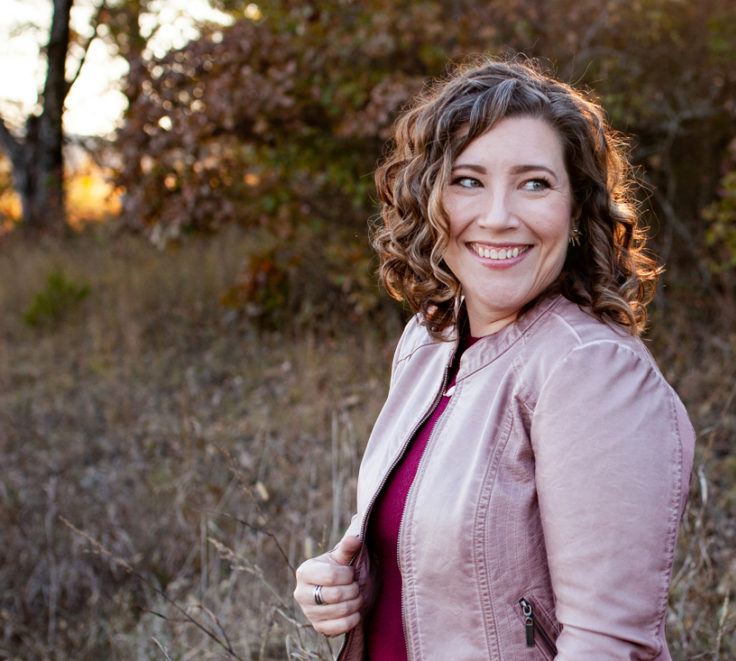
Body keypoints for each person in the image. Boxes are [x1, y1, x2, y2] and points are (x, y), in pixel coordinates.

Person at [293, 57, 695, 660]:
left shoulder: (593, 372)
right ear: (427, 199)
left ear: (576, 210)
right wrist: (342, 584)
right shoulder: (429, 341)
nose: (499, 216)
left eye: (535, 182)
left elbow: (610, 646)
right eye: (468, 180)